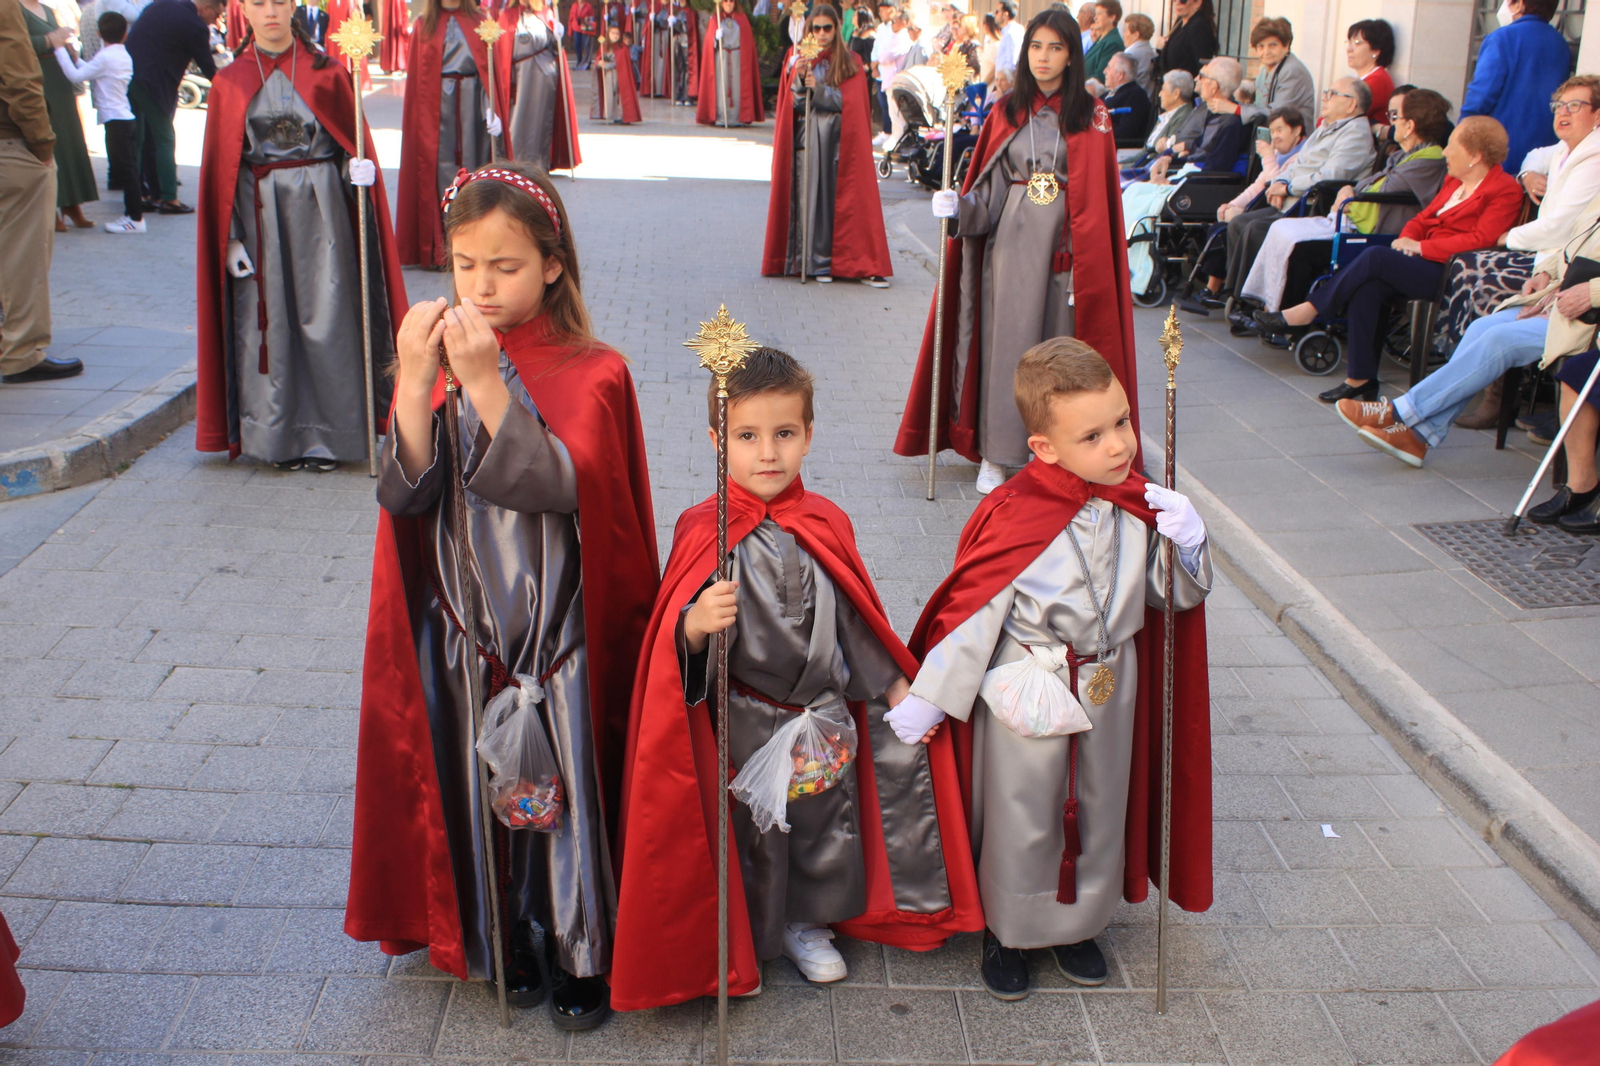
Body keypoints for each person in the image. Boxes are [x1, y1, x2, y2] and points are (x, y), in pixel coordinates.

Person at [349, 162, 660, 1032]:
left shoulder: (596, 372)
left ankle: (579, 949)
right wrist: (415, 383)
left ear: (552, 266)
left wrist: (487, 385)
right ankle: (507, 932)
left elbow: (568, 487)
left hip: (558, 637)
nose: (480, 286)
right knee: (485, 789)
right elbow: (406, 494)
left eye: (506, 266)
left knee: (564, 800)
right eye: (463, 264)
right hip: (467, 633)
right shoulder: (442, 368)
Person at [610, 347, 984, 1008]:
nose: (768, 453)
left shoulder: (826, 524)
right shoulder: (704, 530)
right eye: (747, 436)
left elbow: (855, 619)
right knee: (757, 829)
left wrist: (897, 689)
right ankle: (752, 930)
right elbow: (670, 640)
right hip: (744, 717)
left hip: (819, 716)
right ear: (716, 441)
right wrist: (695, 624)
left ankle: (809, 925)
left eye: (784, 434)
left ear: (808, 434)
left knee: (819, 826)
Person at [897, 337, 1211, 1000]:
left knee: (1099, 804)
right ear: (1044, 448)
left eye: (1122, 421)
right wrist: (932, 696)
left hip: (1109, 683)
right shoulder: (1016, 512)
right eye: (1093, 435)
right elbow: (976, 611)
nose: (1119, 446)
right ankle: (1007, 929)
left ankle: (1077, 925)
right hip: (1028, 683)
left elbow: (1169, 596)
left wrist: (1188, 544)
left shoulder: (1138, 503)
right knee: (1025, 810)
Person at [895, 7, 1135, 496]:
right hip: (1008, 258)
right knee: (1008, 352)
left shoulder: (1093, 116)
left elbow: (1099, 201)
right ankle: (999, 455)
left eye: (1056, 48)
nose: (1043, 57)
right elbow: (988, 198)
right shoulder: (1006, 111)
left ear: (1072, 56)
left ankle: (1062, 456)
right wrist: (958, 207)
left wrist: (1081, 257)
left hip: (1067, 259)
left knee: (1060, 359)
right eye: (1036, 47)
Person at [193, 0, 404, 470]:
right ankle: (277, 438)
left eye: (279, 2)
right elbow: (221, 174)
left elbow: (353, 143)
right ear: (242, 11)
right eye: (259, 3)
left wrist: (361, 173)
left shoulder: (328, 74)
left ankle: (335, 434)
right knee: (267, 324)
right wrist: (228, 238)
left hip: (325, 211)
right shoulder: (229, 84)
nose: (270, 12)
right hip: (261, 214)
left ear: (293, 6)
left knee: (329, 317)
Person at [1256, 116, 1525, 403]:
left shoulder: (1504, 189)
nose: (1444, 152)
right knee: (1369, 285)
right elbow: (1422, 218)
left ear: (1474, 155)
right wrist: (1406, 240)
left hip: (1453, 272)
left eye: (1451, 146)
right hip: (1421, 259)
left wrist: (1420, 248)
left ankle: (1309, 311)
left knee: (1373, 258)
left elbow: (1481, 240)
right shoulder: (1453, 182)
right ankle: (1360, 379)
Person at [1439, 74, 1600, 392]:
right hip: (1549, 259)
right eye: (1558, 106)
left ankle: (1494, 392)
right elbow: (1536, 155)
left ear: (1597, 115)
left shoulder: (1593, 156)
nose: (1562, 113)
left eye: (1575, 106)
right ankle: (1460, 378)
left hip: (1561, 261)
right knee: (1468, 265)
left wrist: (1509, 237)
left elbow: (1561, 226)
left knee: (1479, 270)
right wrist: (1528, 172)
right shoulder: (1565, 149)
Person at [1234, 89, 1449, 315]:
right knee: (1279, 228)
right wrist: (1350, 189)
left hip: (1375, 230)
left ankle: (1285, 317)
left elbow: (1383, 190)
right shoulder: (1404, 155)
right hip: (1354, 217)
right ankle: (1265, 305)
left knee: (1299, 247)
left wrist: (1352, 194)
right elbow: (1371, 184)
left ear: (1410, 126)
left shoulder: (1428, 160)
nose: (1391, 123)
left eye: (1396, 117)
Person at [1216, 77, 1377, 326]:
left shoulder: (1355, 134)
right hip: (1293, 197)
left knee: (1256, 228)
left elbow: (1330, 176)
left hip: (1315, 202)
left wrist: (1289, 186)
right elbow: (1299, 163)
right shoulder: (1327, 126)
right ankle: (1240, 296)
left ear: (1351, 104)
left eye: (1332, 93)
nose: (1324, 97)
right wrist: (1280, 182)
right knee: (1240, 223)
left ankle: (1255, 302)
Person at [762, 3, 890, 287]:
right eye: (816, 28)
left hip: (838, 143)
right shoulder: (799, 59)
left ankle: (841, 261)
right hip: (808, 139)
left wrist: (818, 90)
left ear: (836, 30)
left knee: (834, 204)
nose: (821, 34)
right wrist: (798, 81)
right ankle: (815, 262)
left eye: (827, 28)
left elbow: (849, 102)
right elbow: (794, 105)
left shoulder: (851, 61)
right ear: (809, 30)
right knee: (811, 202)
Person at [395, 0, 511, 269]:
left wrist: (491, 107)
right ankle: (444, 246)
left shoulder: (481, 21)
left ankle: (482, 240)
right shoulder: (424, 26)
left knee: (475, 170)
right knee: (441, 174)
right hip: (437, 111)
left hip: (473, 106)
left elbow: (489, 70)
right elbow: (418, 84)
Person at [0, 0, 78, 384]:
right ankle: (20, 353)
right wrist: (43, 144)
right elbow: (18, 76)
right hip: (9, 144)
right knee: (22, 254)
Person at [126, 0, 220, 214]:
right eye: (216, 15)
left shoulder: (159, 5)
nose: (216, 21)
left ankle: (141, 194)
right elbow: (208, 68)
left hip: (128, 76)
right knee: (165, 139)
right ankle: (169, 199)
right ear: (206, 8)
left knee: (139, 139)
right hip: (154, 84)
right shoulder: (195, 25)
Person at [1460, 0, 1570, 174]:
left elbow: (1481, 95)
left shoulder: (1502, 38)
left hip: (1499, 149)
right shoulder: (1560, 43)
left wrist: (1462, 131)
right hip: (1544, 152)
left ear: (1520, 4)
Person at [53, 10, 139, 232]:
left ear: (99, 33)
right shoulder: (121, 55)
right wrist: (74, 57)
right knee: (128, 169)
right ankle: (132, 216)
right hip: (124, 117)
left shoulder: (106, 56)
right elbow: (91, 70)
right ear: (125, 33)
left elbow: (75, 76)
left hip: (115, 120)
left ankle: (135, 218)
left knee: (127, 171)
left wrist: (59, 49)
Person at [24, 0, 97, 228]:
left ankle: (71, 203)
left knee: (69, 141)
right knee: (49, 143)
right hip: (40, 81)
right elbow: (14, 46)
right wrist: (49, 40)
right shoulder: (14, 10)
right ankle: (51, 207)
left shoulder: (48, 10)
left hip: (60, 82)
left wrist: (67, 47)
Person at [500, 0, 581, 174]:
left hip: (544, 76)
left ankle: (538, 164)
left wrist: (558, 36)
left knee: (540, 120)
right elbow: (502, 48)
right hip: (520, 74)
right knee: (517, 119)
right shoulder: (507, 16)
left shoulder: (547, 14)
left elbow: (555, 48)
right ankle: (515, 163)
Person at [1237, 16, 1313, 125]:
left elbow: (1277, 113)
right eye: (1261, 46)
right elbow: (1259, 107)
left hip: (1292, 137)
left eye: (1272, 45)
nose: (1266, 52)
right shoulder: (1265, 70)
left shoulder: (1292, 71)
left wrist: (1236, 109)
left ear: (1286, 45)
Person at [696, 0, 761, 126]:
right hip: (721, 56)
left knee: (737, 86)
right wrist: (715, 37)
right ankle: (721, 116)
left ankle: (737, 117)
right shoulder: (716, 19)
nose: (729, 4)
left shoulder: (742, 19)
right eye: (725, 1)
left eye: (731, 1)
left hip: (737, 57)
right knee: (721, 85)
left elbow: (747, 42)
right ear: (721, 3)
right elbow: (709, 44)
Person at [1118, 66, 1193, 167]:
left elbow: (1164, 154)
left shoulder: (1183, 116)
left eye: (1163, 90)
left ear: (1176, 94)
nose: (1159, 94)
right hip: (1143, 164)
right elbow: (1143, 153)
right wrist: (1116, 165)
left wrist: (1122, 167)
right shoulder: (1167, 115)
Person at [869, 1, 906, 143]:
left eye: (883, 10)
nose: (880, 13)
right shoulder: (880, 27)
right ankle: (886, 131)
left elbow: (889, 52)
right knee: (883, 103)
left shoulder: (896, 29)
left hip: (890, 71)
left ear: (891, 10)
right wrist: (874, 65)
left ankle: (893, 133)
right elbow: (877, 46)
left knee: (893, 105)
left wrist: (879, 61)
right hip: (879, 70)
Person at [1346, 19, 1392, 124]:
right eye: (1349, 42)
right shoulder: (1356, 79)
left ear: (1376, 51)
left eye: (1357, 43)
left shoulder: (1378, 81)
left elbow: (1342, 115)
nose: (1349, 49)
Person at [1151, 0, 1212, 78]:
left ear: (1197, 3)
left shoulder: (1199, 26)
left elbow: (1202, 63)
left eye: (1183, 0)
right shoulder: (1180, 22)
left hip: (1184, 86)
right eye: (1174, 0)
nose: (1177, 3)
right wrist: (1161, 50)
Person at [591, 22, 639, 121]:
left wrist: (608, 65)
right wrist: (599, 63)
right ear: (608, 34)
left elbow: (621, 62)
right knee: (608, 94)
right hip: (607, 74)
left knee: (617, 94)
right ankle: (608, 113)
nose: (615, 35)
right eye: (613, 33)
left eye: (617, 33)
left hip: (619, 74)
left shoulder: (623, 48)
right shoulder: (604, 46)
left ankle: (619, 115)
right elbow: (599, 59)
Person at [1099, 52, 1146, 146]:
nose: (1104, 71)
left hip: (1111, 147)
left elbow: (1125, 131)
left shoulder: (1135, 95)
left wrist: (1096, 134)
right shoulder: (1106, 94)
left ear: (1120, 75)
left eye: (1109, 67)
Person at [1079, 0, 1116, 84]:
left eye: (1099, 14)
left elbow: (1100, 76)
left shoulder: (1112, 43)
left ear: (1112, 17)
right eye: (1095, 14)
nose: (1095, 18)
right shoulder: (1100, 39)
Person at [1118, 11, 1152, 99]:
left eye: (1126, 31)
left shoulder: (1130, 55)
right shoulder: (1152, 52)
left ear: (1135, 35)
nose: (1123, 34)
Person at [669, 0, 696, 105]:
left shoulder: (690, 12)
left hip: (687, 42)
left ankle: (687, 95)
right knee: (678, 68)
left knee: (688, 68)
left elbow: (689, 27)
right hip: (677, 42)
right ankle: (678, 94)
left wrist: (678, 23)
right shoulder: (675, 11)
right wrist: (671, 23)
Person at [991, 0, 1018, 92]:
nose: (995, 14)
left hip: (1006, 85)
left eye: (997, 12)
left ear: (1005, 15)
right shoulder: (1008, 31)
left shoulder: (1011, 33)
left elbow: (1012, 62)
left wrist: (1004, 83)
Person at [569, 0, 593, 67]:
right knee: (577, 45)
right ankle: (579, 61)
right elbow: (571, 19)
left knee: (586, 46)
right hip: (576, 28)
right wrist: (570, 31)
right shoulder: (574, 6)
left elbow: (592, 18)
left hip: (585, 28)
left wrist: (587, 19)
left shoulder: (588, 6)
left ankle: (587, 61)